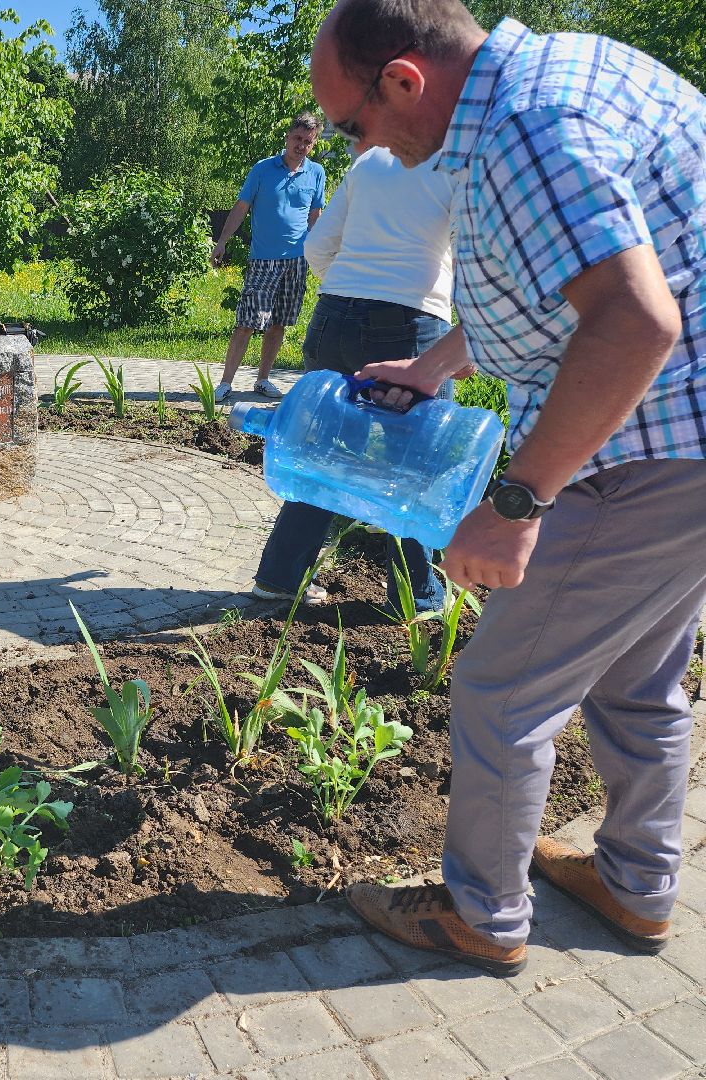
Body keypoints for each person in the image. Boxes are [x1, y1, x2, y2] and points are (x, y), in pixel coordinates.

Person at [310, 0, 706, 975]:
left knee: (502, 689)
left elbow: (633, 321)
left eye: (350, 126)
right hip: (684, 446)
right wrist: (434, 368)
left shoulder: (527, 129)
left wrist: (520, 499)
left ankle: (483, 915)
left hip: (648, 451)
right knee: (639, 679)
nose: (360, 148)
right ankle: (637, 884)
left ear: (403, 80)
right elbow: (554, 294)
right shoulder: (533, 96)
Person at [251, 143, 459, 607]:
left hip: (333, 317)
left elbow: (318, 245)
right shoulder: (462, 158)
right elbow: (477, 262)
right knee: (412, 464)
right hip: (409, 325)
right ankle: (417, 597)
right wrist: (462, 341)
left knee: (322, 451)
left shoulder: (372, 160)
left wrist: (350, 293)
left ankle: (279, 578)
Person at [210, 114, 326, 404]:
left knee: (279, 324)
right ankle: (225, 383)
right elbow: (240, 208)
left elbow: (316, 217)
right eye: (297, 138)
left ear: (313, 144)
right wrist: (222, 241)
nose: (301, 146)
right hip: (263, 260)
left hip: (296, 261)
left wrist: (320, 253)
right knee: (247, 322)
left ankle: (262, 379)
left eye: (308, 142)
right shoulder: (262, 169)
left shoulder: (316, 173)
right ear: (287, 136)